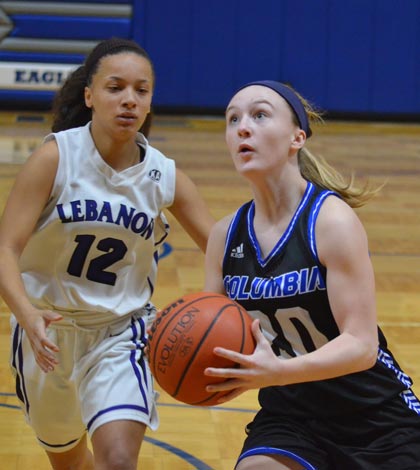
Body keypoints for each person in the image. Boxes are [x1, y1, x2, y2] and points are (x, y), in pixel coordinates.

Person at [0, 37, 214, 470]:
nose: (129, 100)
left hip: (122, 332)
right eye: (115, 88)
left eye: (141, 90)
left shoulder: (163, 175)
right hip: (46, 333)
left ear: (151, 101)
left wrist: (212, 304)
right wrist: (26, 313)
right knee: (70, 462)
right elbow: (5, 248)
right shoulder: (55, 158)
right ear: (89, 95)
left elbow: (222, 250)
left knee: (117, 460)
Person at [203, 80, 420, 470]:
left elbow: (361, 345)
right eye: (232, 119)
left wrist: (279, 370)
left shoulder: (331, 221)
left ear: (296, 137)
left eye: (260, 115)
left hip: (375, 417)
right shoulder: (224, 236)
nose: (242, 128)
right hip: (291, 417)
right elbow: (209, 333)